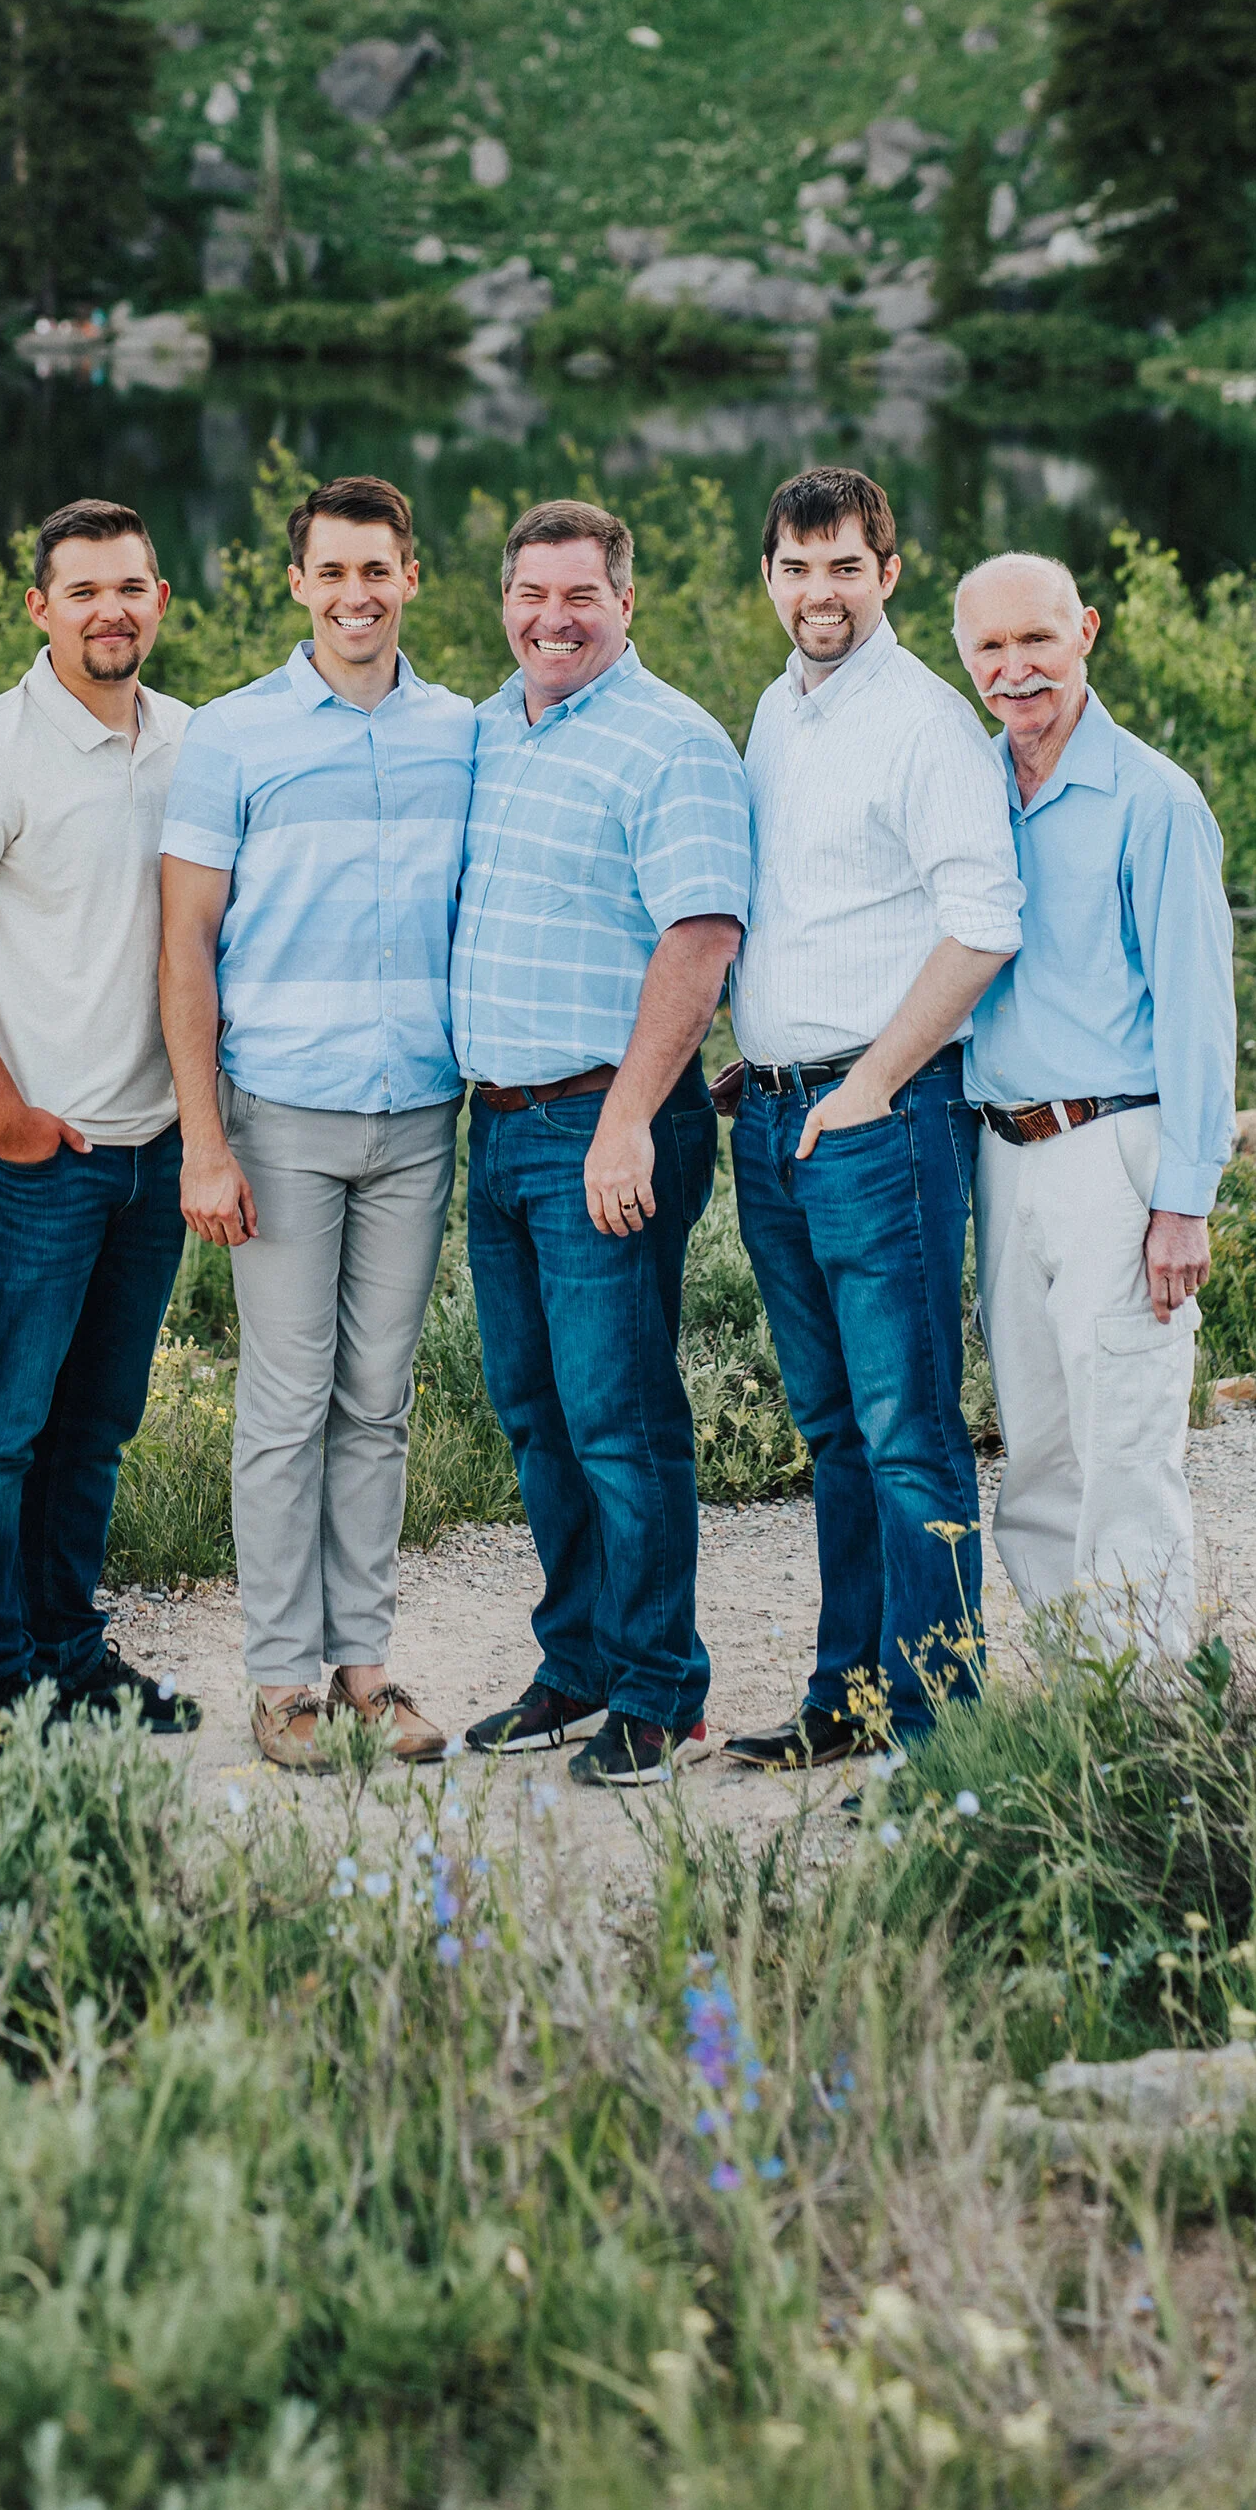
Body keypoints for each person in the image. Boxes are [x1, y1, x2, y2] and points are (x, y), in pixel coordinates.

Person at [159, 474, 475, 1771]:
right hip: (280, 1114)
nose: (355, 592)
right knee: (286, 1402)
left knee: (379, 1399)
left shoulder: (465, 729)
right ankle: (280, 1676)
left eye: (377, 568)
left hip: (418, 1113)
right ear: (296, 582)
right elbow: (184, 938)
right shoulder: (234, 735)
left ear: (412, 574)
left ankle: (365, 1667)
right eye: (331, 570)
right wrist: (203, 1138)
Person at [721, 467, 1022, 1777]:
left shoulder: (925, 722)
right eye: (796, 566)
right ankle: (846, 1693)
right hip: (780, 1120)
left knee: (908, 1430)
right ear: (771, 577)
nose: (819, 590)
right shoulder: (778, 715)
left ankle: (940, 1726)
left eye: (844, 564)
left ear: (887, 571)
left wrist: (868, 1082)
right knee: (835, 1427)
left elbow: (985, 922)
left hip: (880, 1118)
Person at [0, 498, 203, 1756]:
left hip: (153, 1147)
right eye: (82, 591)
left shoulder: (192, 742)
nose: (109, 610)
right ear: (39, 607)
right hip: (25, 1163)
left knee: (96, 1428)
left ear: (161, 599)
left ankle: (69, 1656)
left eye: (129, 586)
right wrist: (8, 1118)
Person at [451, 499, 753, 1790]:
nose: (553, 616)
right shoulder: (488, 729)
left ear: (627, 599)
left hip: (606, 1118)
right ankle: (574, 1656)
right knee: (533, 1408)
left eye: (581, 593)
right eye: (531, 592)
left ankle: (657, 1686)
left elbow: (699, 939)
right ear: (506, 597)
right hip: (500, 1121)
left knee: (619, 1415)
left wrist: (628, 1117)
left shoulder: (671, 741)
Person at [954, 550, 1236, 1660]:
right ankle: (1085, 1702)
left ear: (1087, 633)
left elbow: (1200, 1015)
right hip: (1002, 1153)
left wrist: (1185, 1201)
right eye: (990, 646)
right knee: (1037, 1455)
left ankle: (1150, 1717)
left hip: (1115, 1150)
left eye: (1037, 639)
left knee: (1125, 1443)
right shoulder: (970, 785)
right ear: (965, 654)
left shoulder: (1153, 799)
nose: (1015, 667)